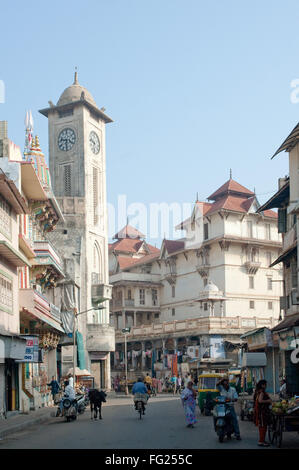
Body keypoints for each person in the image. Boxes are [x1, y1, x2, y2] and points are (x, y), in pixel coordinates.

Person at [253, 379, 272, 447]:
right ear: (262, 385)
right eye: (265, 384)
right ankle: (261, 441)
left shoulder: (258, 391)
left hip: (261, 411)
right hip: (262, 412)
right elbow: (260, 401)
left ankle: (262, 440)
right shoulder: (261, 392)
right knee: (263, 427)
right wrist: (268, 400)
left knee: (262, 426)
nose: (266, 386)